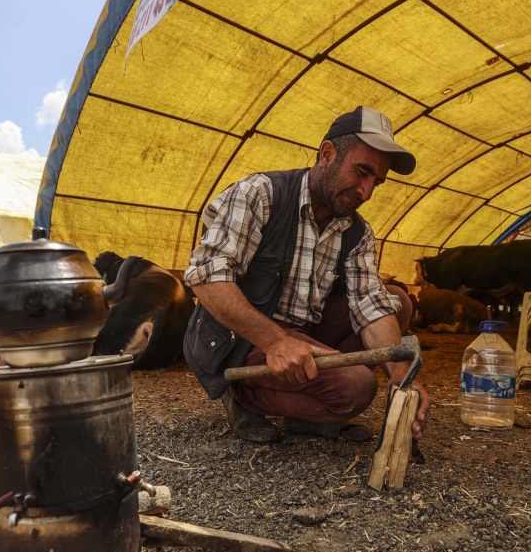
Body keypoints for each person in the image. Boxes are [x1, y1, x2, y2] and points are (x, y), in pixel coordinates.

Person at [183, 106, 431, 444]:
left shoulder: (356, 231)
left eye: (377, 182)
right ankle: (239, 394)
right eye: (361, 171)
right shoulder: (261, 193)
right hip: (240, 339)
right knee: (358, 387)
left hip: (301, 332)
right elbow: (206, 277)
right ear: (327, 154)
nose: (366, 192)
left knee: (397, 303)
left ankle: (307, 413)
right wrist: (275, 341)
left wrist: (402, 378)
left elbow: (371, 304)